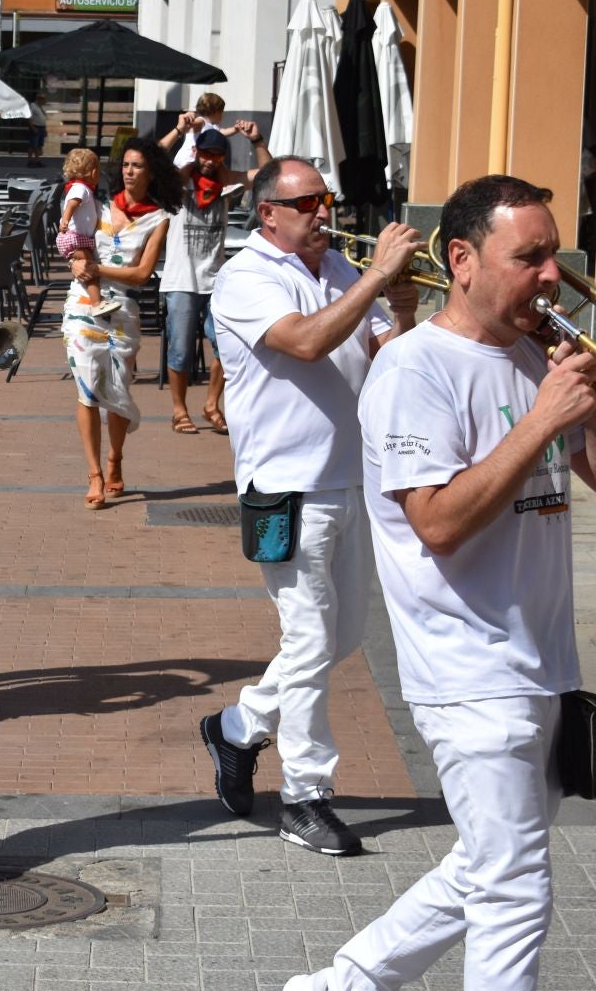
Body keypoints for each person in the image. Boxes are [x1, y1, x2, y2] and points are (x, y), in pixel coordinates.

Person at [284, 175, 591, 991]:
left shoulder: (538, 355)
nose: (552, 276)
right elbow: (441, 522)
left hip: (543, 660)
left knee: (493, 867)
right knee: (516, 892)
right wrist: (544, 417)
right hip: (467, 667)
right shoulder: (414, 369)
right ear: (461, 259)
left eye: (554, 255)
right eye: (529, 257)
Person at [202, 158, 423, 856]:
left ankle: (237, 728)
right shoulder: (247, 276)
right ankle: (305, 794)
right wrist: (377, 277)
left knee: (343, 636)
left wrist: (403, 308)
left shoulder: (337, 269)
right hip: (287, 484)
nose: (322, 211)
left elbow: (389, 357)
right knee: (307, 640)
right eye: (306, 203)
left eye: (325, 199)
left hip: (351, 478)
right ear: (268, 212)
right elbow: (306, 341)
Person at [63, 140, 179, 509]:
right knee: (86, 387)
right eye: (126, 164)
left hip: (122, 310)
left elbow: (142, 274)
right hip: (82, 304)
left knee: (116, 389)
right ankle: (94, 473)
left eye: (138, 165)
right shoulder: (97, 206)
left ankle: (115, 458)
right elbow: (76, 242)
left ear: (151, 173)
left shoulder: (159, 219)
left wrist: (97, 267)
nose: (129, 171)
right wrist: (76, 262)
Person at [166, 125, 269, 436]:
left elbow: (268, 175)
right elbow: (158, 169)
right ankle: (179, 410)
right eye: (205, 154)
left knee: (228, 346)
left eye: (217, 155)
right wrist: (180, 134)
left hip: (215, 281)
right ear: (196, 152)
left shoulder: (224, 185)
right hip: (181, 281)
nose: (210, 161)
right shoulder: (180, 185)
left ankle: (211, 404)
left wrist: (256, 140)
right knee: (180, 351)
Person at [54, 149, 116, 317]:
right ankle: (97, 303)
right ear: (94, 172)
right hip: (75, 238)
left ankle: (96, 301)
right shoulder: (81, 188)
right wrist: (65, 219)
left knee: (87, 267)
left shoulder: (79, 187)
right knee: (90, 269)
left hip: (76, 238)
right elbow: (72, 204)